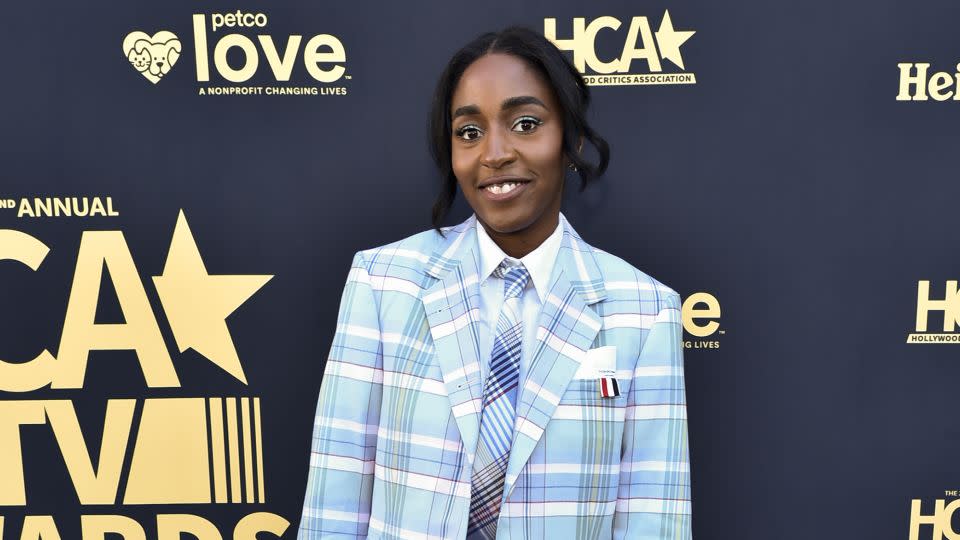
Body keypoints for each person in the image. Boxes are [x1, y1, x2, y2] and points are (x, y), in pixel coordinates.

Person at [298, 26, 691, 540]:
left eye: (525, 123)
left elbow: (654, 520)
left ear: (569, 140)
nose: (494, 153)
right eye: (469, 132)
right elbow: (335, 501)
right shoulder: (383, 283)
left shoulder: (645, 311)